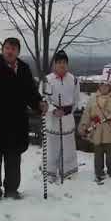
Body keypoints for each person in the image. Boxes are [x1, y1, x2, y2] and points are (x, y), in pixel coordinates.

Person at [0, 38, 48, 200]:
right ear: (2, 49)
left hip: (16, 124)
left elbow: (31, 93)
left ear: (18, 52)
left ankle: (12, 190)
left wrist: (38, 104)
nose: (9, 51)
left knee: (13, 160)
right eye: (7, 48)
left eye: (13, 49)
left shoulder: (24, 69)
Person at [78, 64, 111, 184]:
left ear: (110, 86)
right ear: (99, 85)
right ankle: (98, 172)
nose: (104, 87)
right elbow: (86, 114)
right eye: (102, 85)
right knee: (98, 155)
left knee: (110, 155)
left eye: (106, 85)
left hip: (110, 131)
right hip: (97, 132)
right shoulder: (92, 99)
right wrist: (83, 126)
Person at [43, 50, 80, 183]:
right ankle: (51, 173)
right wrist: (53, 110)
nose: (61, 65)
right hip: (53, 119)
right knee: (53, 147)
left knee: (68, 146)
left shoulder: (74, 80)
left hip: (67, 118)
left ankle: (68, 172)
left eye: (64, 62)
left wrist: (68, 111)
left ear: (67, 64)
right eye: (59, 62)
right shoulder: (47, 80)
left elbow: (76, 99)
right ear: (54, 64)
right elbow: (43, 100)